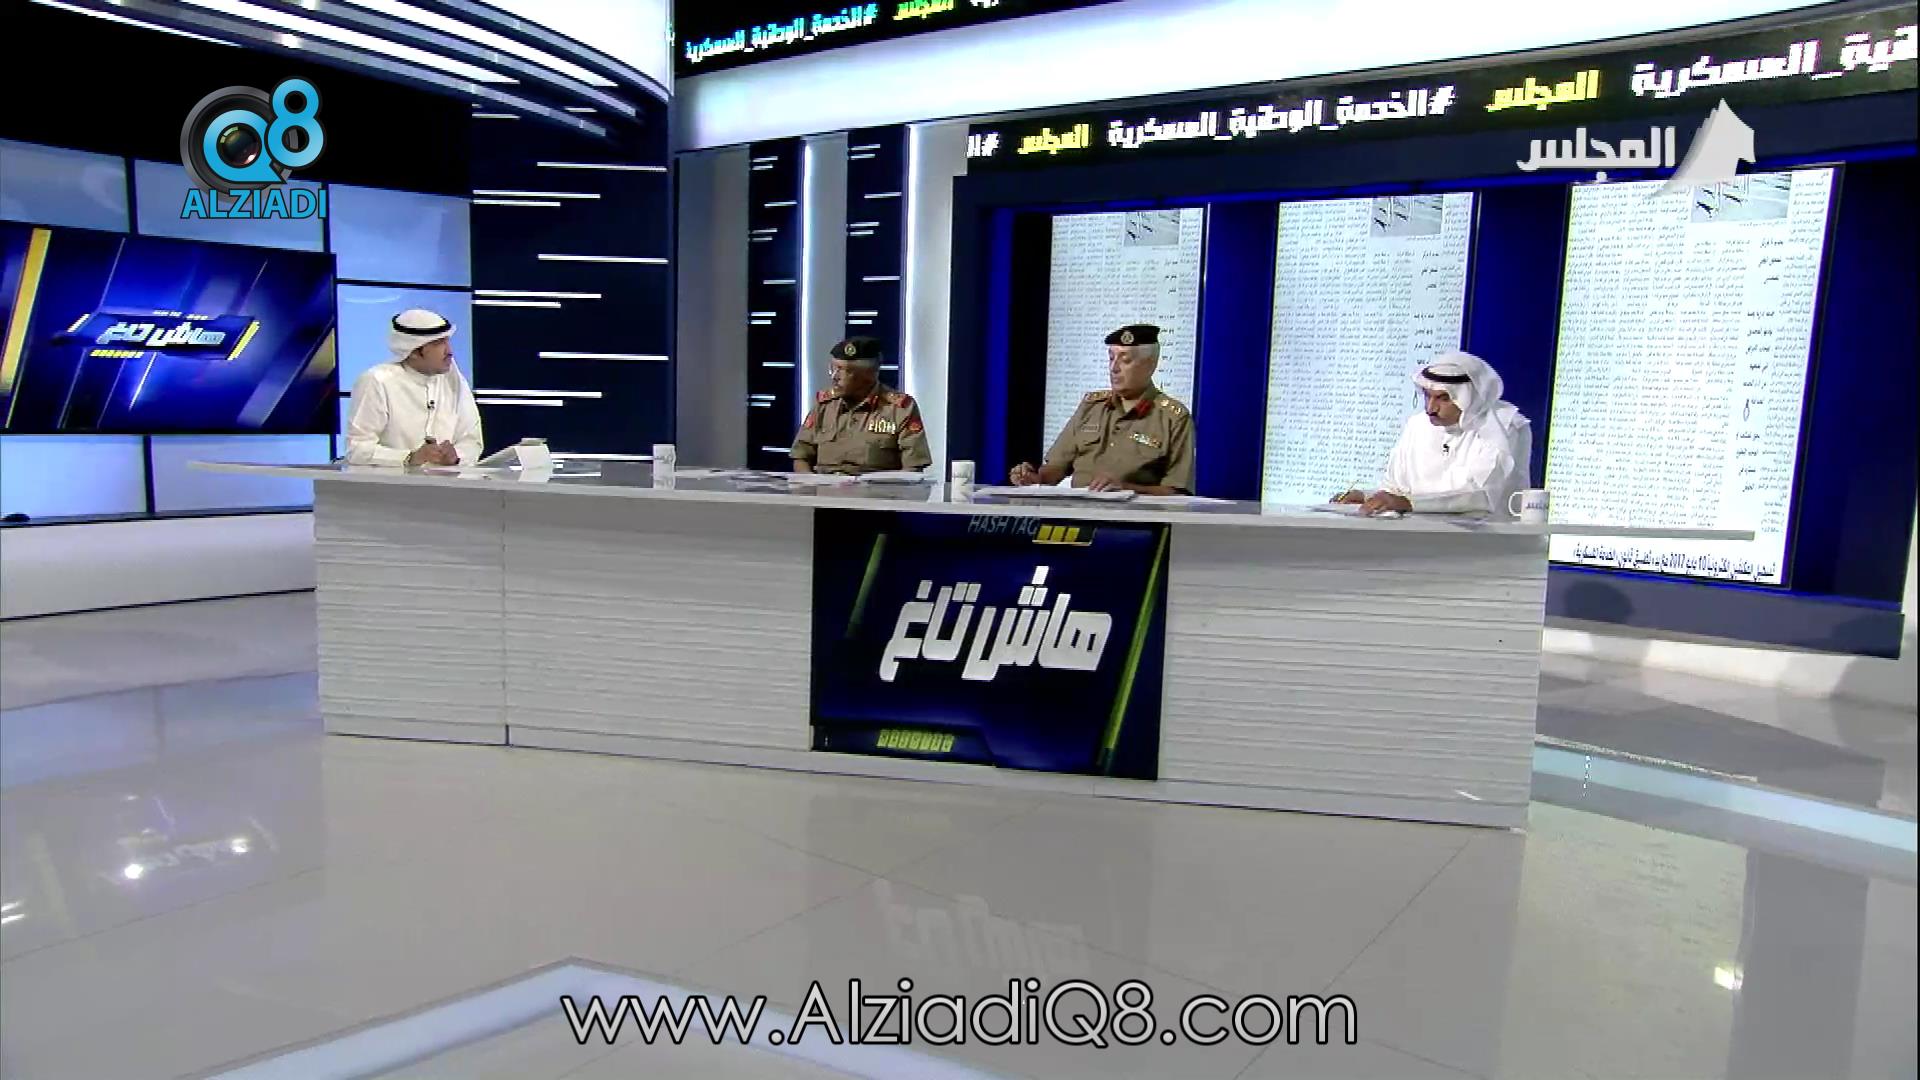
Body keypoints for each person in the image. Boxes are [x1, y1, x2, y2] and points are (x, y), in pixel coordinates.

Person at [1334, 351, 1530, 515]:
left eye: (1443, 398)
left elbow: (1481, 497)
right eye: (1428, 396)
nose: (1431, 408)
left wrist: (1409, 504)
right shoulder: (1417, 425)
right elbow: (1396, 489)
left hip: (1489, 543)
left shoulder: (1504, 426)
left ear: (1470, 396)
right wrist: (1367, 498)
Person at [1010, 324, 1193, 494]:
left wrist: (1126, 489)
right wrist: (1033, 478)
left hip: (1133, 515)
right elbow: (1055, 468)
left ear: (1150, 365)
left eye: (1125, 360)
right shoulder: (1091, 407)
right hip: (1077, 510)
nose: (1114, 368)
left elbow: (1177, 492)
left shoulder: (1174, 418)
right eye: (1111, 358)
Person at [343, 309, 483, 467]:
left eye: (447, 341)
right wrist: (409, 458)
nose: (449, 351)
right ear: (414, 351)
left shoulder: (454, 381)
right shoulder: (377, 382)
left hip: (445, 482)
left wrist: (456, 457)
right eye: (438, 343)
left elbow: (472, 441)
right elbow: (357, 450)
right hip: (388, 482)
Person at [792, 336, 932, 475]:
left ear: (868, 375)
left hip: (876, 488)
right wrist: (810, 483)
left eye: (843, 370)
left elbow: (913, 469)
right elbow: (801, 456)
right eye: (832, 369)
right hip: (823, 487)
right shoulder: (824, 405)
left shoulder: (900, 409)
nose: (835, 376)